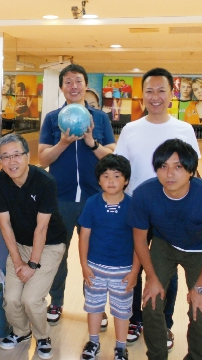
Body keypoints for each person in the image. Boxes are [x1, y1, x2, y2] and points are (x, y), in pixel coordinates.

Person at [114, 67, 201, 349]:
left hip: (171, 212)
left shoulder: (184, 129)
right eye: (149, 91)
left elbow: (194, 172)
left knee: (167, 271)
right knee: (134, 267)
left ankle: (164, 323)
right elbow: (120, 169)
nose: (155, 96)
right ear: (142, 95)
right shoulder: (130, 129)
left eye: (161, 90)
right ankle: (135, 318)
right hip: (136, 210)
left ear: (171, 94)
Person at [128, 139, 202, 360]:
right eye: (163, 166)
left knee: (200, 309)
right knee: (151, 301)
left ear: (191, 170)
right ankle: (157, 355)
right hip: (164, 244)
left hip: (199, 251)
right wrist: (152, 278)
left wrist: (200, 289)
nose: (169, 174)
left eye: (178, 166)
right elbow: (140, 240)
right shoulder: (144, 194)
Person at [38, 63, 115, 329]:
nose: (74, 86)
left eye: (78, 81)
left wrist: (92, 142)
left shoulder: (100, 119)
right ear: (61, 87)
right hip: (61, 198)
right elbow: (42, 159)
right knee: (57, 254)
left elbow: (112, 156)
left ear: (86, 85)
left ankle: (95, 306)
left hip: (95, 199)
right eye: (68, 82)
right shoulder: (52, 119)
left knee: (94, 256)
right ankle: (56, 301)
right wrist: (63, 143)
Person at [0, 134, 67, 360]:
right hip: (20, 245)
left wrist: (32, 264)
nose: (11, 161)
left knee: (31, 299)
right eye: (5, 157)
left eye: (16, 155)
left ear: (27, 156)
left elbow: (41, 228)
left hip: (50, 245)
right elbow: (4, 224)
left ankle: (43, 337)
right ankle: (21, 332)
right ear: (0, 161)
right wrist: (18, 262)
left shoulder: (45, 182)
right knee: (12, 299)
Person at [78, 154, 140, 360]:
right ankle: (93, 342)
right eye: (105, 176)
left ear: (126, 180)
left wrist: (134, 272)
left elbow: (139, 242)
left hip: (123, 270)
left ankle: (121, 347)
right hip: (95, 268)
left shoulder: (133, 206)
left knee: (122, 311)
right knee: (94, 307)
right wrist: (84, 265)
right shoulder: (92, 203)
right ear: (99, 180)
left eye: (117, 176)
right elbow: (84, 236)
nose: (111, 181)